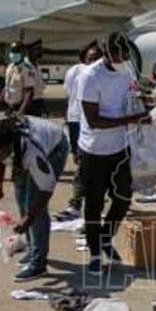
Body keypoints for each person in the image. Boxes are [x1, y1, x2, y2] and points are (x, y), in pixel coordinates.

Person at [77, 32, 150, 276]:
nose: (125, 59)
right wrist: (132, 119)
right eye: (121, 55)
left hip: (120, 148)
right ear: (108, 54)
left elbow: (132, 96)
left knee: (123, 199)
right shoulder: (90, 76)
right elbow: (94, 121)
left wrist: (145, 102)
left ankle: (106, 238)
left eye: (127, 55)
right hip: (94, 151)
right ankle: (95, 253)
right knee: (94, 205)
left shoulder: (126, 70)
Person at [0, 116, 68, 281]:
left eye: (0, 152)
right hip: (30, 145)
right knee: (21, 195)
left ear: (8, 146)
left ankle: (39, 264)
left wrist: (29, 218)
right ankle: (32, 248)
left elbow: (46, 188)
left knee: (34, 206)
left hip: (55, 147)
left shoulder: (32, 152)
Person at [61, 42, 103, 218]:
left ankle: (79, 202)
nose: (93, 62)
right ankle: (78, 202)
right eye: (90, 59)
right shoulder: (75, 72)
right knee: (81, 162)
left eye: (96, 58)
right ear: (84, 59)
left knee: (91, 163)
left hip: (96, 124)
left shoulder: (104, 74)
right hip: (77, 120)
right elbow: (69, 94)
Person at [0, 41, 41, 117]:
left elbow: (29, 93)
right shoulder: (9, 67)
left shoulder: (26, 69)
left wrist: (20, 111)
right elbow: (6, 88)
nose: (13, 54)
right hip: (10, 107)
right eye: (12, 51)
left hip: (21, 108)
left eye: (16, 51)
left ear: (23, 53)